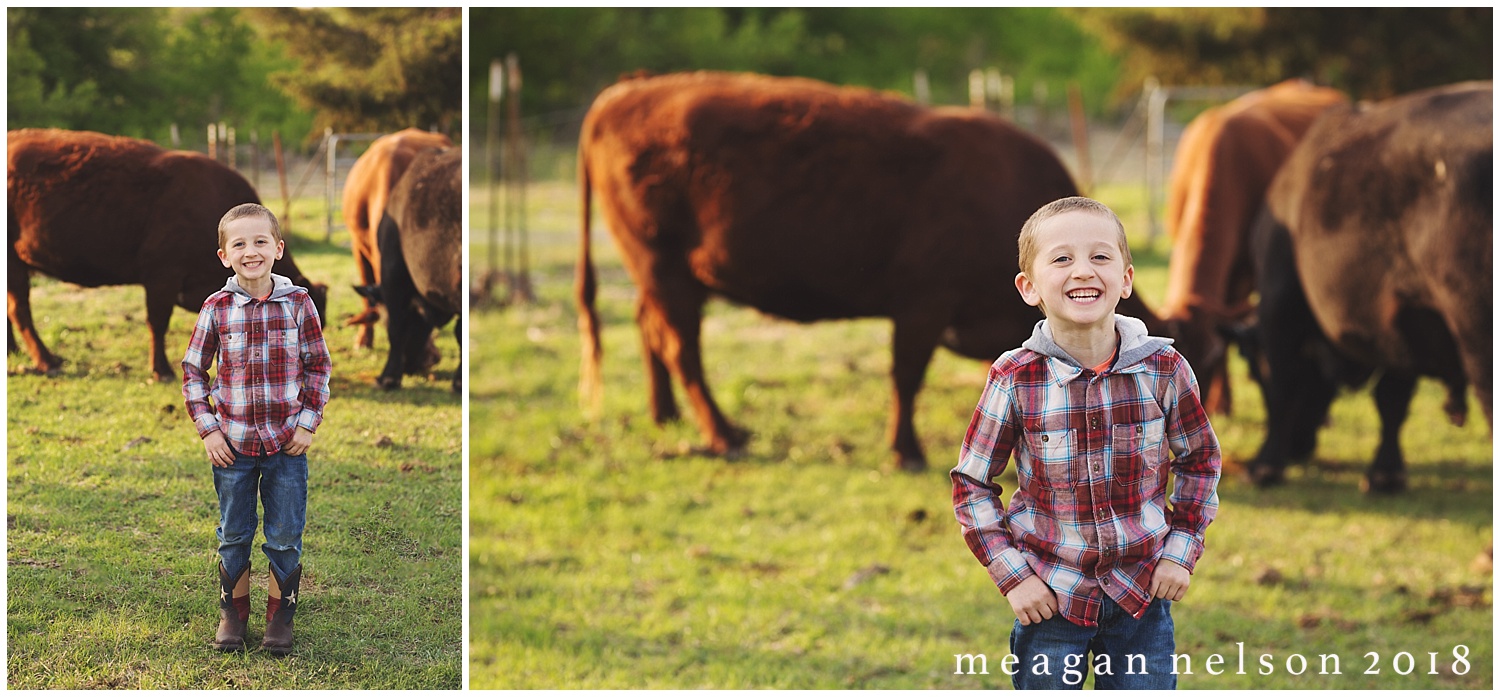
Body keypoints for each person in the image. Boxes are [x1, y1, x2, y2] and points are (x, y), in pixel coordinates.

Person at [951, 196, 1220, 689]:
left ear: (1127, 279)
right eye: (1061, 259)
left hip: (1142, 595)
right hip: (1050, 596)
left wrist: (1181, 549)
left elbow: (1199, 462)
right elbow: (972, 485)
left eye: (1100, 257)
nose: (1083, 271)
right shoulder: (1015, 377)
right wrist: (1016, 578)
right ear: (1029, 287)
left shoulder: (1164, 370)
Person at [183, 203, 332, 655]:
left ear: (279, 249)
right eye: (240, 244)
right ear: (224, 255)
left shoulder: (299, 304)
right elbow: (193, 371)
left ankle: (279, 616)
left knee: (285, 533)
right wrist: (209, 430)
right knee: (234, 531)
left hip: (287, 445)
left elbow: (318, 367)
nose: (252, 251)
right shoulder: (216, 308)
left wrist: (307, 424)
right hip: (234, 444)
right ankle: (233, 612)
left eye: (261, 241)